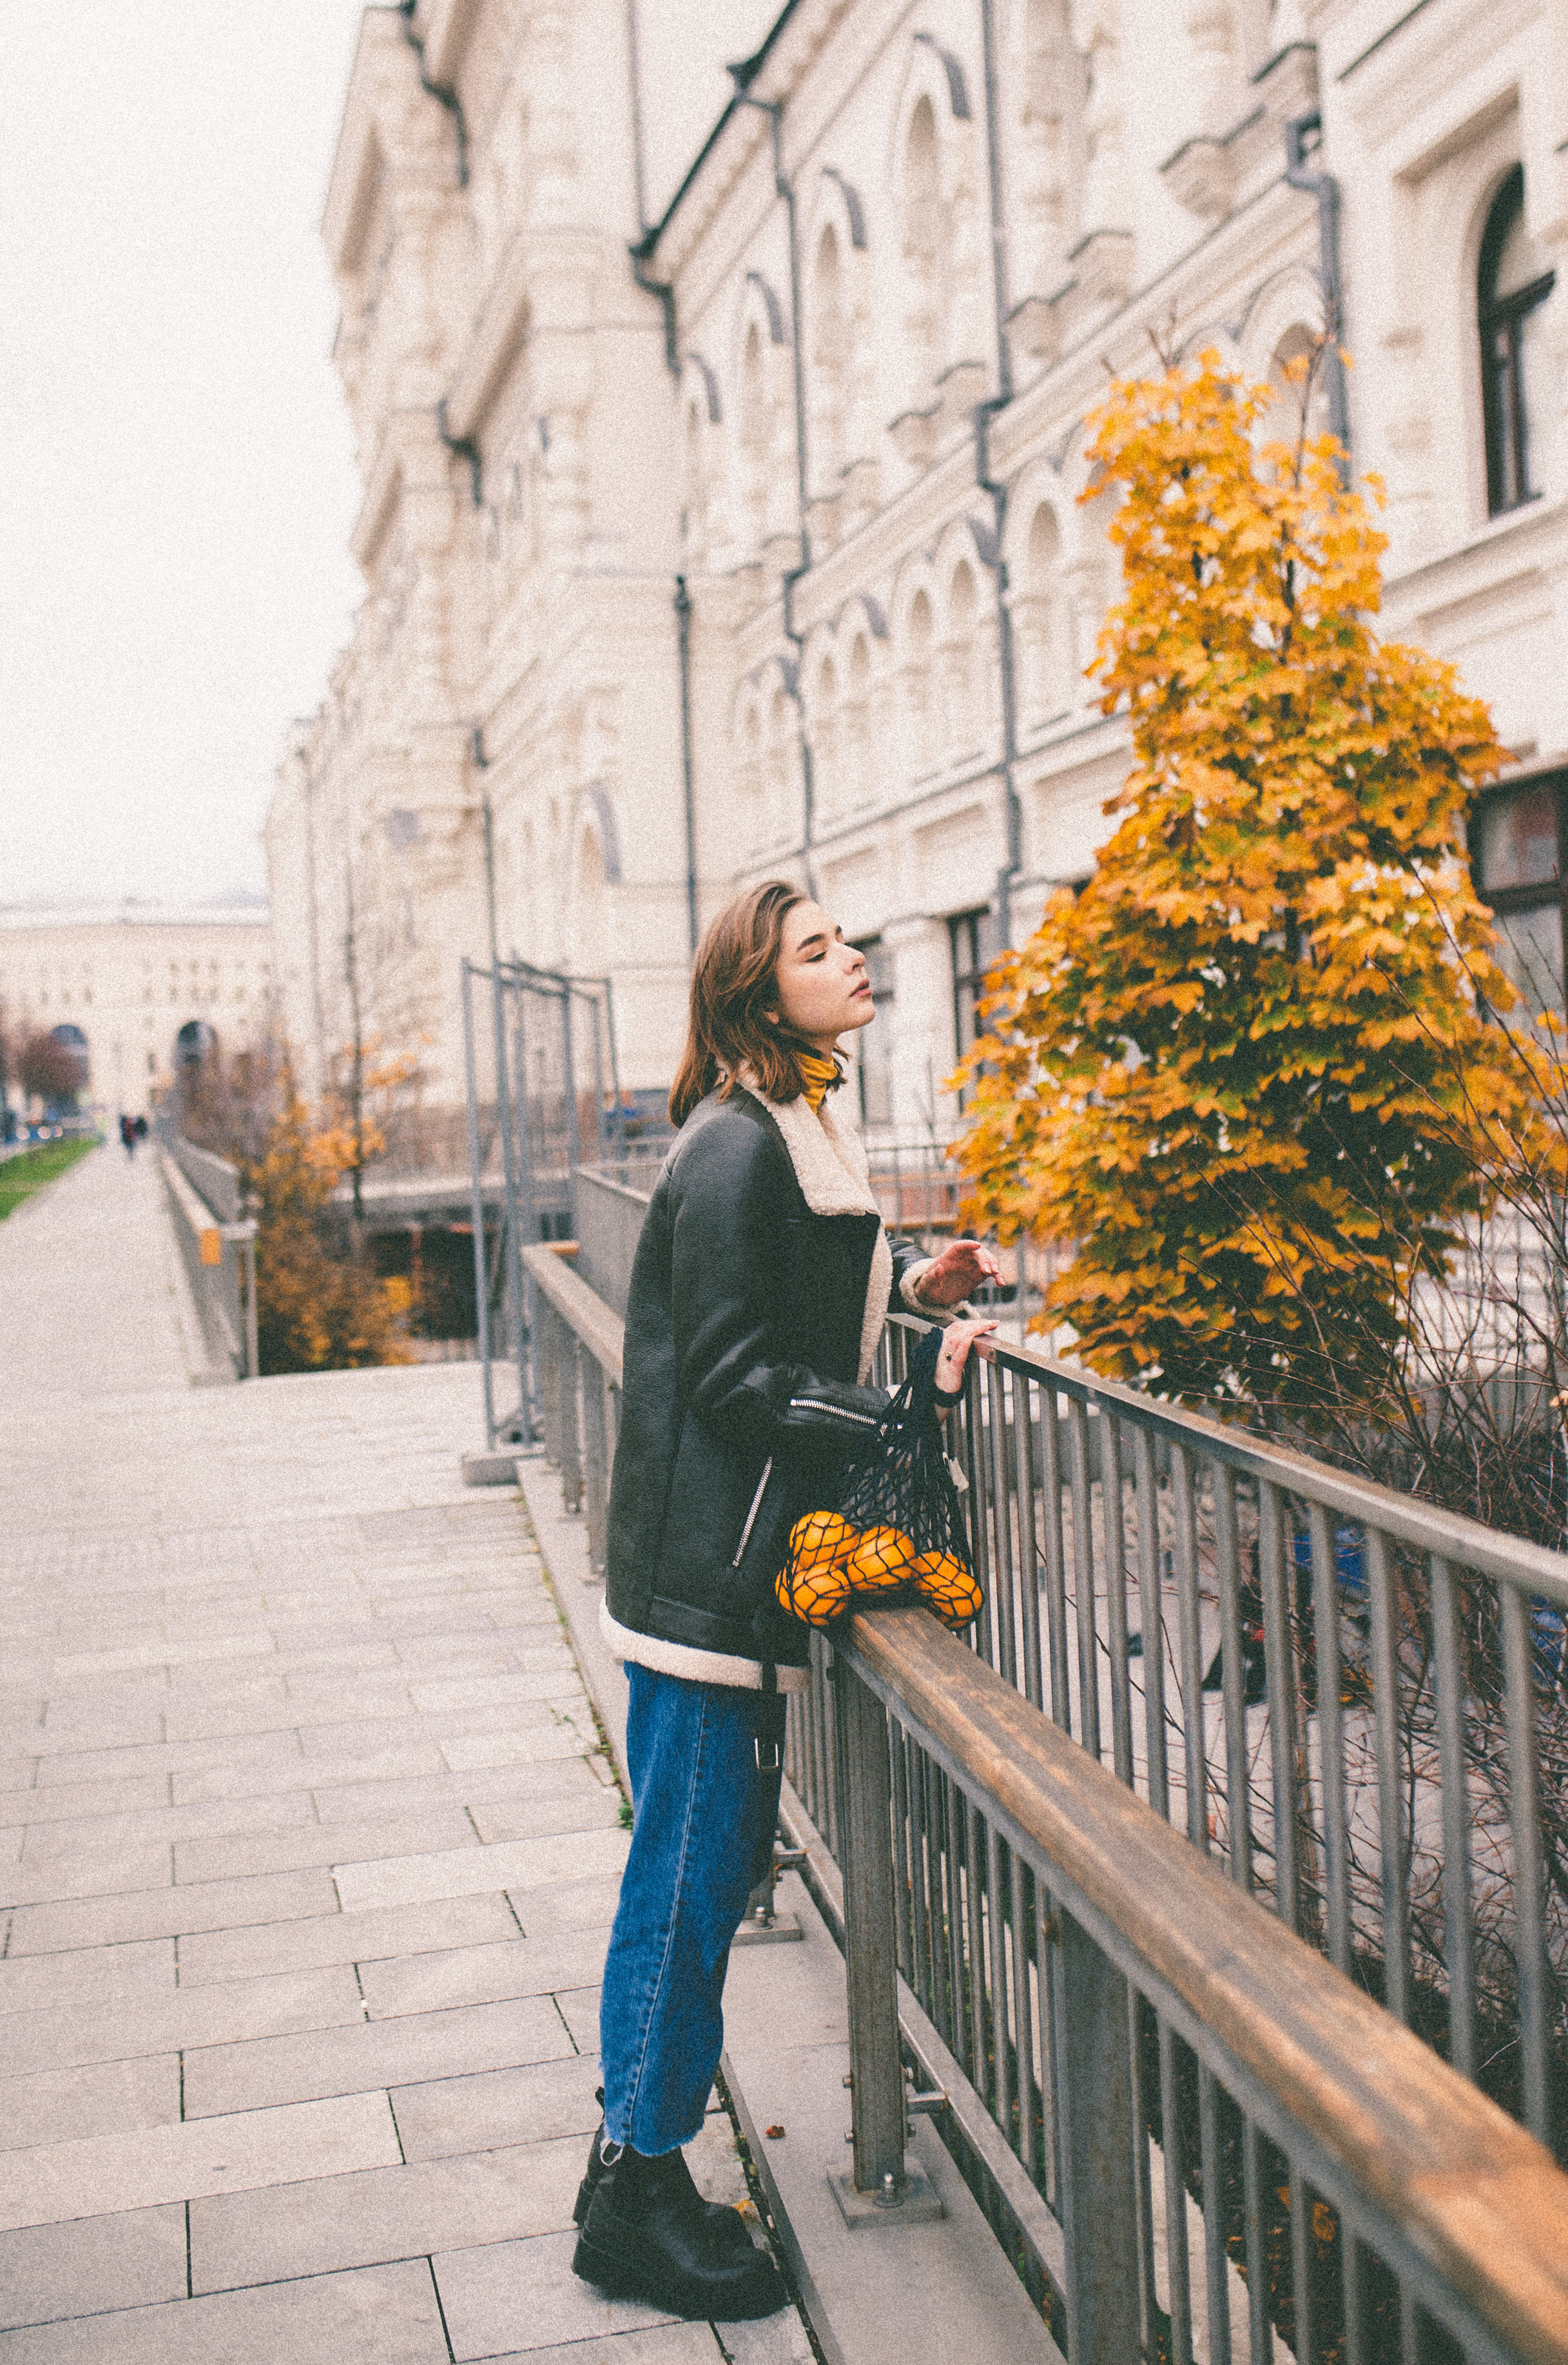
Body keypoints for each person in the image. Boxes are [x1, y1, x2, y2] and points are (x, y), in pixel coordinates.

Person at [572, 881, 998, 2321]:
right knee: (689, 1880)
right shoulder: (738, 1149)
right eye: (817, 951)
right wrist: (895, 1406)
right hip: (708, 1588)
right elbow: (736, 1377)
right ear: (761, 997)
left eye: (846, 940)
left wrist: (905, 1287)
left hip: (723, 1574)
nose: (854, 959)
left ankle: (630, 2151)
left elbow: (780, 1304)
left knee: (705, 1863)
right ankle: (634, 2183)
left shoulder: (780, 1133)